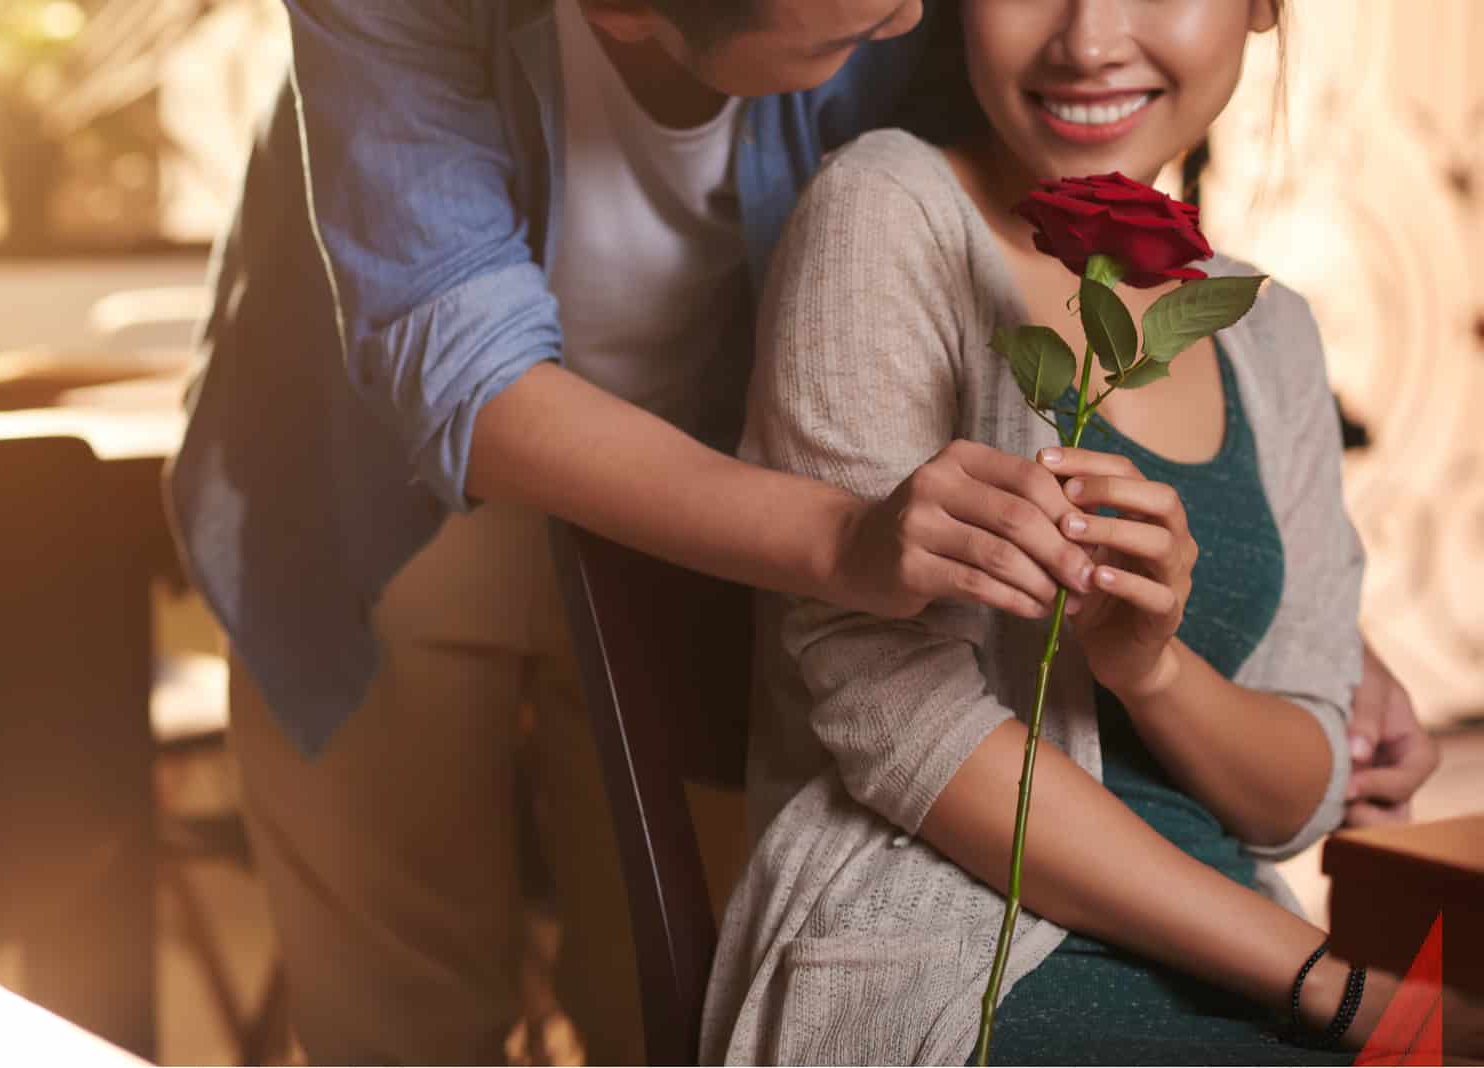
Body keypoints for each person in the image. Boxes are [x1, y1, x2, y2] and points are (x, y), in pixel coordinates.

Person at [165, 0, 1438, 1062]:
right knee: (406, 1016)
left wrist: (1281, 598)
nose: (909, 17)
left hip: (736, 502)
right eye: (860, 21)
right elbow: (460, 370)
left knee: (647, 996)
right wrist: (839, 537)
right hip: (397, 514)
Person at [701, 0, 1475, 1064]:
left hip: (1235, 971)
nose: (1088, 39)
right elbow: (901, 726)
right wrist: (1340, 990)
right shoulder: (884, 210)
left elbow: (1295, 793)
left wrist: (1148, 669)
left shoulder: (1272, 330)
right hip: (949, 959)